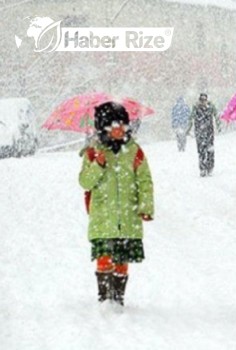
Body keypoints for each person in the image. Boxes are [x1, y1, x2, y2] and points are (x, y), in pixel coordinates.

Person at [79, 101, 154, 308]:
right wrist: (98, 164)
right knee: (104, 257)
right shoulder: (93, 152)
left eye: (123, 125)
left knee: (122, 259)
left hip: (127, 217)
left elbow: (145, 180)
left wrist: (145, 207)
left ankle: (118, 298)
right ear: (103, 128)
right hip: (103, 217)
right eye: (114, 126)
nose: (120, 130)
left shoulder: (134, 151)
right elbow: (85, 182)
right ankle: (104, 298)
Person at [189, 93, 217, 176]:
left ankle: (210, 167)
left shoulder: (211, 107)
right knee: (201, 151)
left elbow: (216, 116)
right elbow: (191, 118)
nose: (203, 102)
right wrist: (188, 129)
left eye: (204, 100)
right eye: (202, 100)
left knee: (210, 150)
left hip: (209, 132)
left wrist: (219, 126)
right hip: (199, 132)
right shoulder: (196, 108)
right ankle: (202, 168)